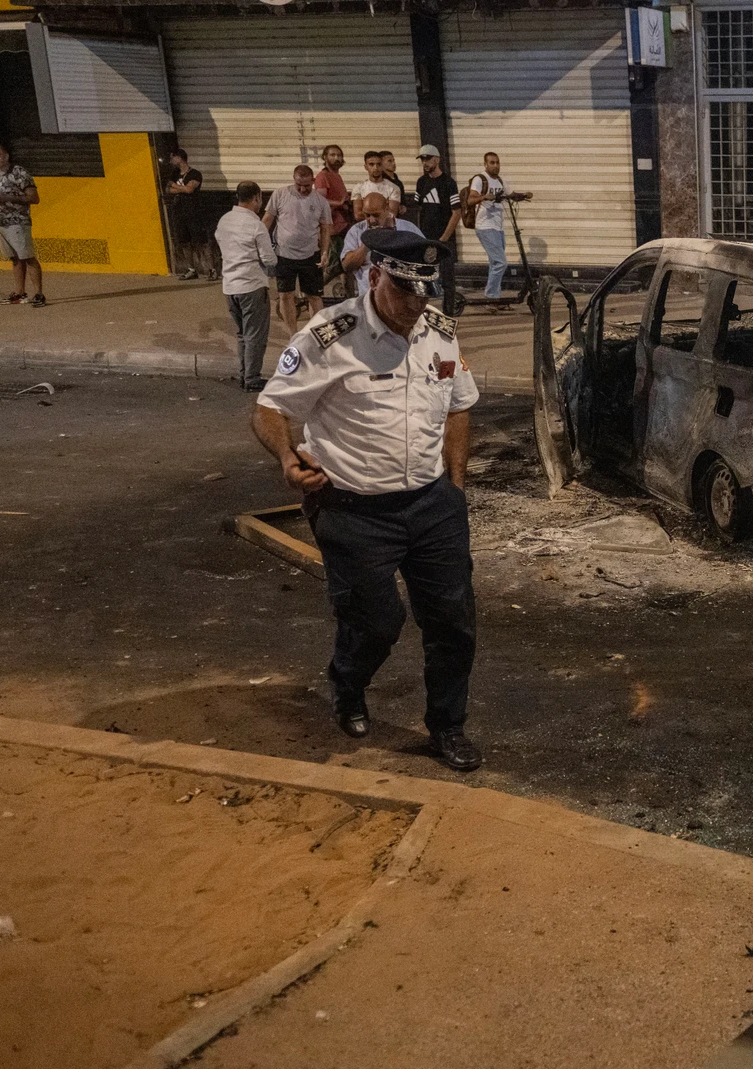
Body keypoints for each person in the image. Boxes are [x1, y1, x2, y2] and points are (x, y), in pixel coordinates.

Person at [250, 229, 484, 773]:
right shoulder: (329, 336)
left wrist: (455, 484)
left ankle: (448, 726)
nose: (416, 306)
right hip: (352, 509)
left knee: (454, 622)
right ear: (374, 276)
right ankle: (348, 685)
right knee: (376, 622)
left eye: (426, 294)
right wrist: (287, 459)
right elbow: (270, 407)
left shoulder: (439, 333)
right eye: (405, 293)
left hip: (431, 506)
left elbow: (459, 406)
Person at [215, 181, 279, 390]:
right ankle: (252, 379)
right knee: (255, 335)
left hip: (230, 286)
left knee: (242, 334)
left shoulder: (224, 221)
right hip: (251, 286)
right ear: (256, 198)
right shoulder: (256, 225)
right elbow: (269, 260)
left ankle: (244, 375)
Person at [262, 164, 334, 337]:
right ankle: (292, 335)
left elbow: (325, 229)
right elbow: (266, 221)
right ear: (293, 180)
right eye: (298, 185)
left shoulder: (320, 202)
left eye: (307, 186)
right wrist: (262, 248)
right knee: (286, 295)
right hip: (283, 255)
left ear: (313, 181)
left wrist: (324, 252)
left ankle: (316, 335)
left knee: (314, 297)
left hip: (311, 255)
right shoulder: (279, 194)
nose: (302, 189)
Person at [464, 151, 530, 299]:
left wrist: (522, 195)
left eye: (497, 162)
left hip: (498, 227)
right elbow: (470, 199)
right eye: (492, 162)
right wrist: (484, 196)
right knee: (501, 263)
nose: (495, 165)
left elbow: (510, 194)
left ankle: (495, 297)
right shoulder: (480, 179)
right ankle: (491, 296)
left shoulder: (500, 181)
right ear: (485, 164)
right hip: (485, 226)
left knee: (495, 263)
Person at [0, 143, 44, 308]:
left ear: (6, 156)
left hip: (18, 221)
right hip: (1, 222)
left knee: (28, 256)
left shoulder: (20, 173)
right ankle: (20, 292)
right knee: (15, 258)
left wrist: (7, 198)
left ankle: (39, 293)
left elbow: (34, 198)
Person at [340, 192, 424, 298]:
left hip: (401, 298)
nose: (371, 220)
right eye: (367, 215)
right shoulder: (356, 231)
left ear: (387, 208)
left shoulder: (408, 229)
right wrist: (367, 243)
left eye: (376, 215)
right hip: (369, 298)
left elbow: (424, 260)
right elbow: (346, 265)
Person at [415, 146, 463, 316]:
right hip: (425, 238)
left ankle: (448, 314)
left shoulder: (448, 183)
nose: (425, 163)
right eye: (422, 159)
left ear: (436, 159)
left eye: (427, 159)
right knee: (422, 278)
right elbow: (418, 209)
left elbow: (456, 212)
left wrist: (444, 238)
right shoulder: (421, 182)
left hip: (443, 239)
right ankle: (421, 313)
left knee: (448, 280)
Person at [164, 149, 215, 281]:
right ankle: (192, 269)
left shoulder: (195, 174)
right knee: (184, 242)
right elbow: (167, 189)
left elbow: (189, 189)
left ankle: (211, 269)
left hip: (194, 212)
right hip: (179, 212)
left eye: (172, 157)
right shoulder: (175, 173)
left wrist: (175, 186)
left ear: (180, 158)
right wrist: (180, 188)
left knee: (202, 242)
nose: (171, 161)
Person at [317, 145, 352, 296]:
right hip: (332, 230)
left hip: (342, 227)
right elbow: (319, 200)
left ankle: (349, 296)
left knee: (347, 264)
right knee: (333, 267)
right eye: (332, 155)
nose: (336, 158)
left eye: (339, 155)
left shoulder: (337, 176)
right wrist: (339, 203)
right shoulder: (323, 176)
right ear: (325, 157)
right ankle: (309, 292)